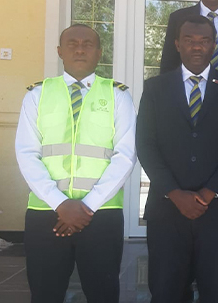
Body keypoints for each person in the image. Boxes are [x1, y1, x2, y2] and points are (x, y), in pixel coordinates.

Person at [15, 24, 137, 303]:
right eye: (72, 44)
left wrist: (87, 205)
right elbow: (26, 153)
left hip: (101, 212)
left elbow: (126, 155)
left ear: (100, 52)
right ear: (59, 51)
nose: (80, 49)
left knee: (103, 293)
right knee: (45, 293)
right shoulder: (37, 95)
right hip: (46, 211)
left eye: (87, 44)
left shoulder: (118, 95)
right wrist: (60, 203)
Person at [136, 15, 218, 303]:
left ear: (214, 45)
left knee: (217, 291)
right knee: (166, 291)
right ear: (177, 44)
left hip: (217, 210)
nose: (197, 47)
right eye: (189, 40)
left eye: (204, 41)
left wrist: (209, 192)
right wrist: (174, 193)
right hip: (167, 210)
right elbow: (146, 145)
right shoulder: (155, 88)